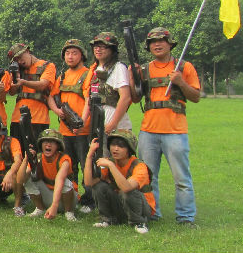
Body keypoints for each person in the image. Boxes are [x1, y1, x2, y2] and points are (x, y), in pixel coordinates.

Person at [137, 27, 200, 226]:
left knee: (182, 178)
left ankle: (186, 217)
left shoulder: (184, 67)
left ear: (170, 44)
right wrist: (133, 77)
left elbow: (196, 96)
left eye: (161, 41)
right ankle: (152, 212)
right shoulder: (144, 70)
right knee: (148, 177)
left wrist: (180, 82)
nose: (157, 44)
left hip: (175, 132)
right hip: (148, 131)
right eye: (152, 42)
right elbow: (136, 97)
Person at [48, 39, 95, 213]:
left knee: (86, 165)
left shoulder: (88, 74)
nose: (70, 56)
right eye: (67, 53)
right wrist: (56, 110)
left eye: (74, 53)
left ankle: (89, 200)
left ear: (82, 55)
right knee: (69, 166)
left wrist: (81, 122)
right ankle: (72, 196)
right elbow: (50, 96)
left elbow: (89, 100)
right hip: (65, 131)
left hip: (83, 131)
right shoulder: (62, 76)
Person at [84, 130, 155, 234]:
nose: (115, 148)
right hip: (122, 204)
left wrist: (111, 166)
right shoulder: (110, 161)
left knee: (128, 192)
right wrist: (89, 156)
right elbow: (89, 183)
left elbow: (126, 188)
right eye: (113, 144)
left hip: (142, 209)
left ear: (129, 149)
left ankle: (139, 222)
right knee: (98, 186)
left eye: (121, 146)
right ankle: (107, 219)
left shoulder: (139, 166)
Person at [13, 129, 78, 221]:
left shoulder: (64, 159)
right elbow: (20, 180)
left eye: (52, 142)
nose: (48, 145)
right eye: (45, 142)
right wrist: (26, 159)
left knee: (65, 182)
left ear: (58, 145)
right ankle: (40, 208)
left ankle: (69, 212)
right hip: (49, 197)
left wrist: (54, 205)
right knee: (29, 178)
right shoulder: (38, 158)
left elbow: (60, 180)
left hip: (67, 199)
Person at [7, 43, 56, 151]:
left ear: (27, 51)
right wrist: (15, 78)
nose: (20, 61)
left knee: (36, 154)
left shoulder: (47, 66)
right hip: (17, 118)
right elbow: (11, 92)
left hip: (39, 119)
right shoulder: (17, 70)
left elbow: (43, 84)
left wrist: (23, 82)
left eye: (20, 57)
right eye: (16, 60)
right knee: (17, 153)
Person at [83, 32, 132, 133]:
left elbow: (125, 97)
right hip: (98, 126)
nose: (98, 49)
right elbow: (89, 99)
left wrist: (112, 124)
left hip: (117, 128)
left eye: (103, 47)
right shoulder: (93, 70)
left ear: (112, 49)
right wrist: (82, 123)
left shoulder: (118, 68)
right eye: (96, 46)